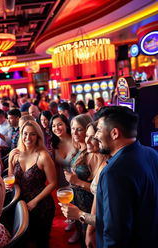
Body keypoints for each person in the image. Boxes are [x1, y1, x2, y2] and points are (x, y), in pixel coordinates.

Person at [94, 106, 158, 247]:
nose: (95, 135)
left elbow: (115, 232)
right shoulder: (151, 153)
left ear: (114, 133)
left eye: (98, 130)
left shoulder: (113, 172)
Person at [8, 120, 56, 248]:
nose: (28, 137)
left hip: (41, 205)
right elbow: (12, 180)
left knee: (41, 242)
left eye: (32, 134)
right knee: (25, 242)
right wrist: (9, 162)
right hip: (21, 204)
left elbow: (53, 183)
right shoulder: (16, 154)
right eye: (25, 134)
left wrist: (34, 201)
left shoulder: (43, 156)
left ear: (38, 136)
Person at [60, 121, 108, 248]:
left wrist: (78, 182)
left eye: (93, 137)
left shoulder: (107, 163)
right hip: (82, 207)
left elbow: (98, 194)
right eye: (87, 136)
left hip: (94, 212)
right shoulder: (87, 154)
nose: (87, 141)